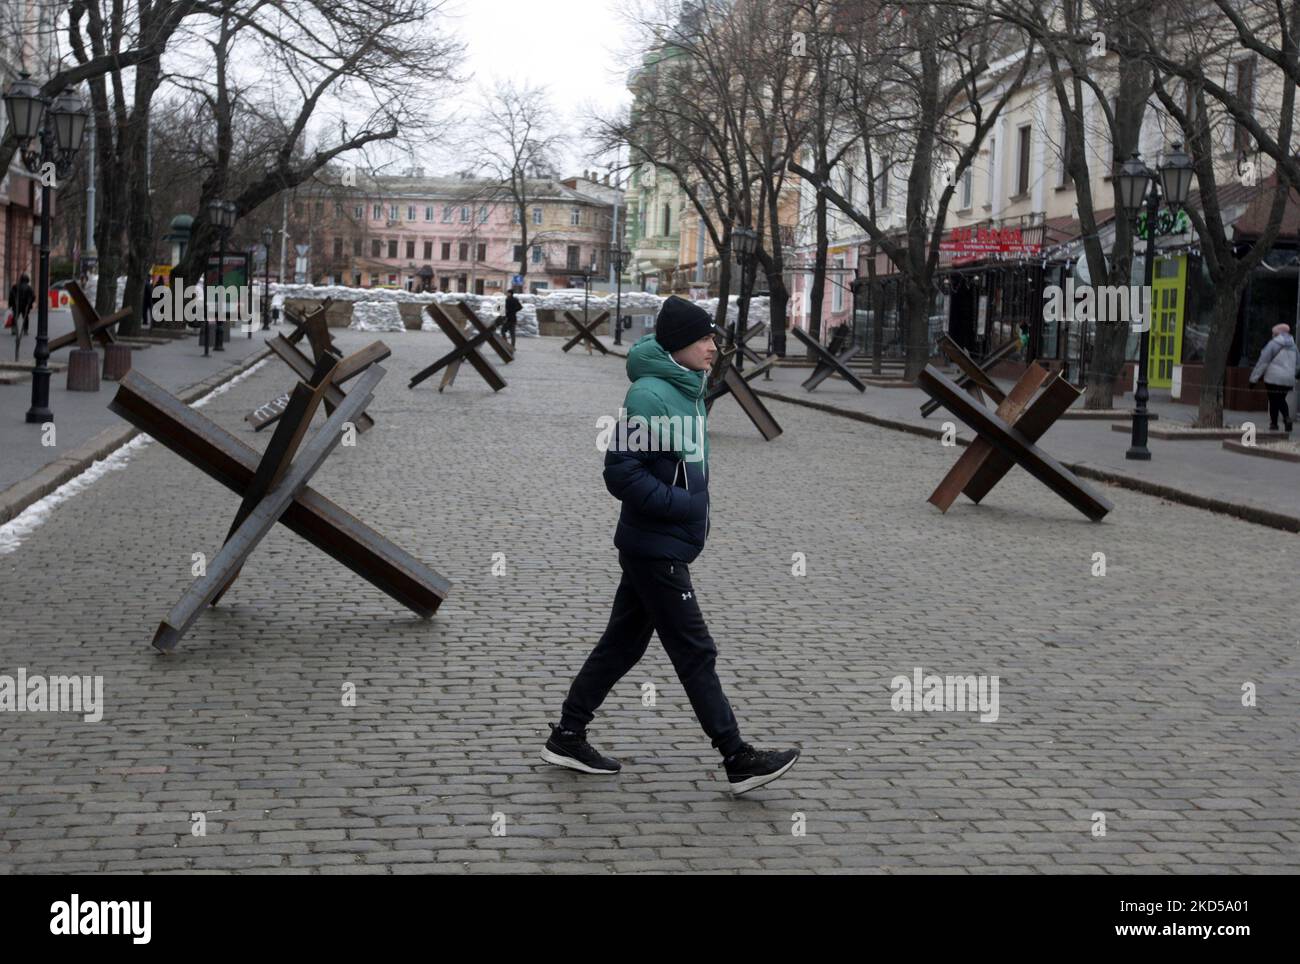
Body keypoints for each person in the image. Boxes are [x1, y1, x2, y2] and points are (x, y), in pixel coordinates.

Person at [542, 295, 800, 796]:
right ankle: (737, 756)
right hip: (654, 546)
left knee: (622, 644)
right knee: (695, 649)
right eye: (704, 339)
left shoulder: (688, 389)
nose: (713, 348)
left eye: (712, 338)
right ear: (680, 344)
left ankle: (568, 734)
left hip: (663, 543)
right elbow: (621, 472)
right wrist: (684, 506)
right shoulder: (650, 396)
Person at [1248, 322, 1297, 433]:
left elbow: (1262, 362)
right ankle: (1286, 419)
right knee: (1281, 399)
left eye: (1273, 333)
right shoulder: (1294, 346)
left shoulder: (1273, 344)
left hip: (1273, 378)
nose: (1272, 335)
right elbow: (1298, 364)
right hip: (1288, 379)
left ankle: (1275, 423)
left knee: (1274, 399)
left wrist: (1253, 379)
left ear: (1277, 334)